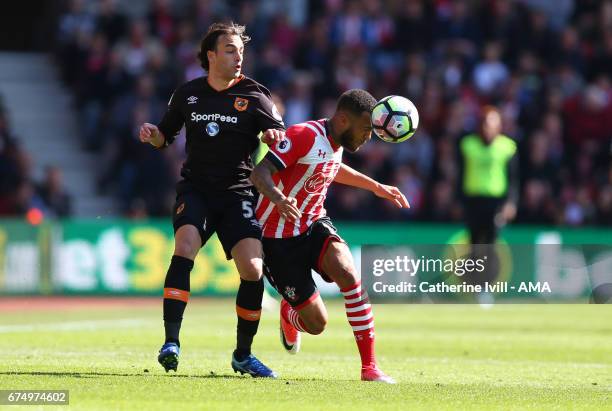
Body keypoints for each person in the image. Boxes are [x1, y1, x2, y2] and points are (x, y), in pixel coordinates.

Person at [139, 22, 285, 377]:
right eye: (230, 51)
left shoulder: (255, 94)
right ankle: (170, 342)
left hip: (238, 194)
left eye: (241, 52)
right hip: (197, 190)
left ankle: (243, 355)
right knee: (184, 245)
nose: (238, 58)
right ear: (211, 55)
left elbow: (282, 138)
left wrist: (272, 133)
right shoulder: (188, 94)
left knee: (252, 271)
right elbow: (166, 136)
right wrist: (153, 135)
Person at [250, 89, 409, 383]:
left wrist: (377, 187)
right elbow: (259, 173)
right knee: (317, 324)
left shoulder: (335, 142)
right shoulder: (303, 134)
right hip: (276, 239)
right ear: (344, 119)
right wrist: (279, 199)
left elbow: (332, 167)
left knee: (349, 274)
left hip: (313, 224)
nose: (368, 136)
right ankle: (290, 314)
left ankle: (370, 368)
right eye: (365, 129)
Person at [457, 106, 518, 294]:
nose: (487, 128)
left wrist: (511, 202)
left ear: (499, 126)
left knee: (490, 245)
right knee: (474, 244)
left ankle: (485, 288)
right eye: (484, 123)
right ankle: (473, 284)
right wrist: (458, 200)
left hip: (495, 202)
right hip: (473, 201)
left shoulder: (507, 147)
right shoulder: (467, 145)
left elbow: (514, 177)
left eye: (491, 124)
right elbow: (459, 174)